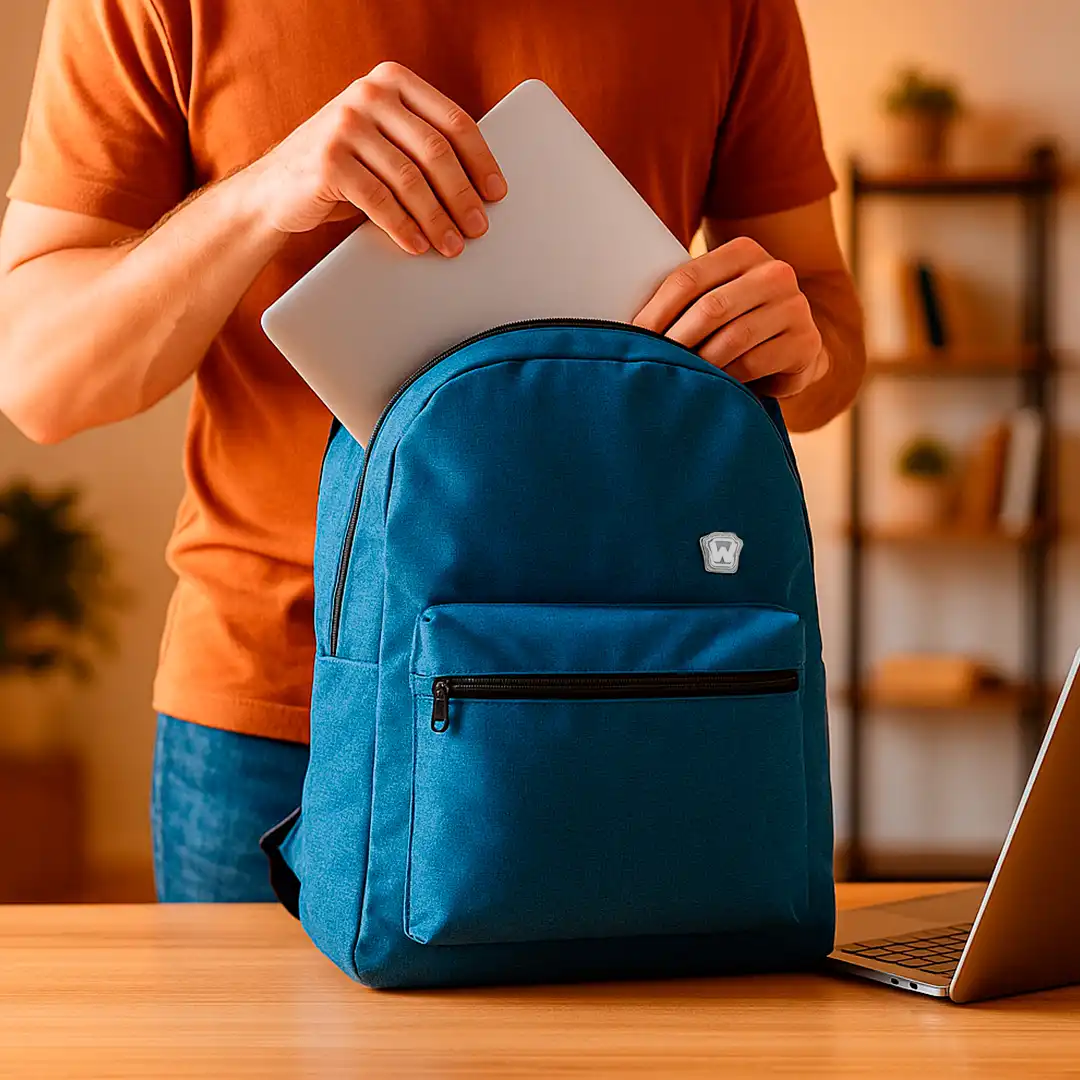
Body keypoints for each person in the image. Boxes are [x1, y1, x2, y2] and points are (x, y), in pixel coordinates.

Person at [0, 0, 865, 901]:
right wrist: (262, 193)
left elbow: (831, 340)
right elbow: (40, 379)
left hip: (622, 686)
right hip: (278, 715)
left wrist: (795, 345)